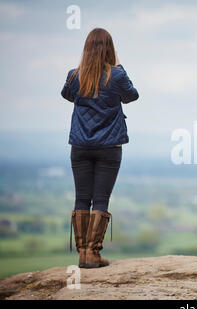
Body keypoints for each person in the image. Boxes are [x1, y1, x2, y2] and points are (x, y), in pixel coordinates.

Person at [61, 28, 139, 268]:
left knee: (82, 198)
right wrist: (119, 65)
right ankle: (92, 254)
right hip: (109, 146)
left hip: (80, 145)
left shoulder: (75, 75)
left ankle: (83, 254)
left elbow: (66, 95)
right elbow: (132, 96)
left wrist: (82, 71)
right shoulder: (116, 76)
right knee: (101, 199)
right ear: (110, 50)